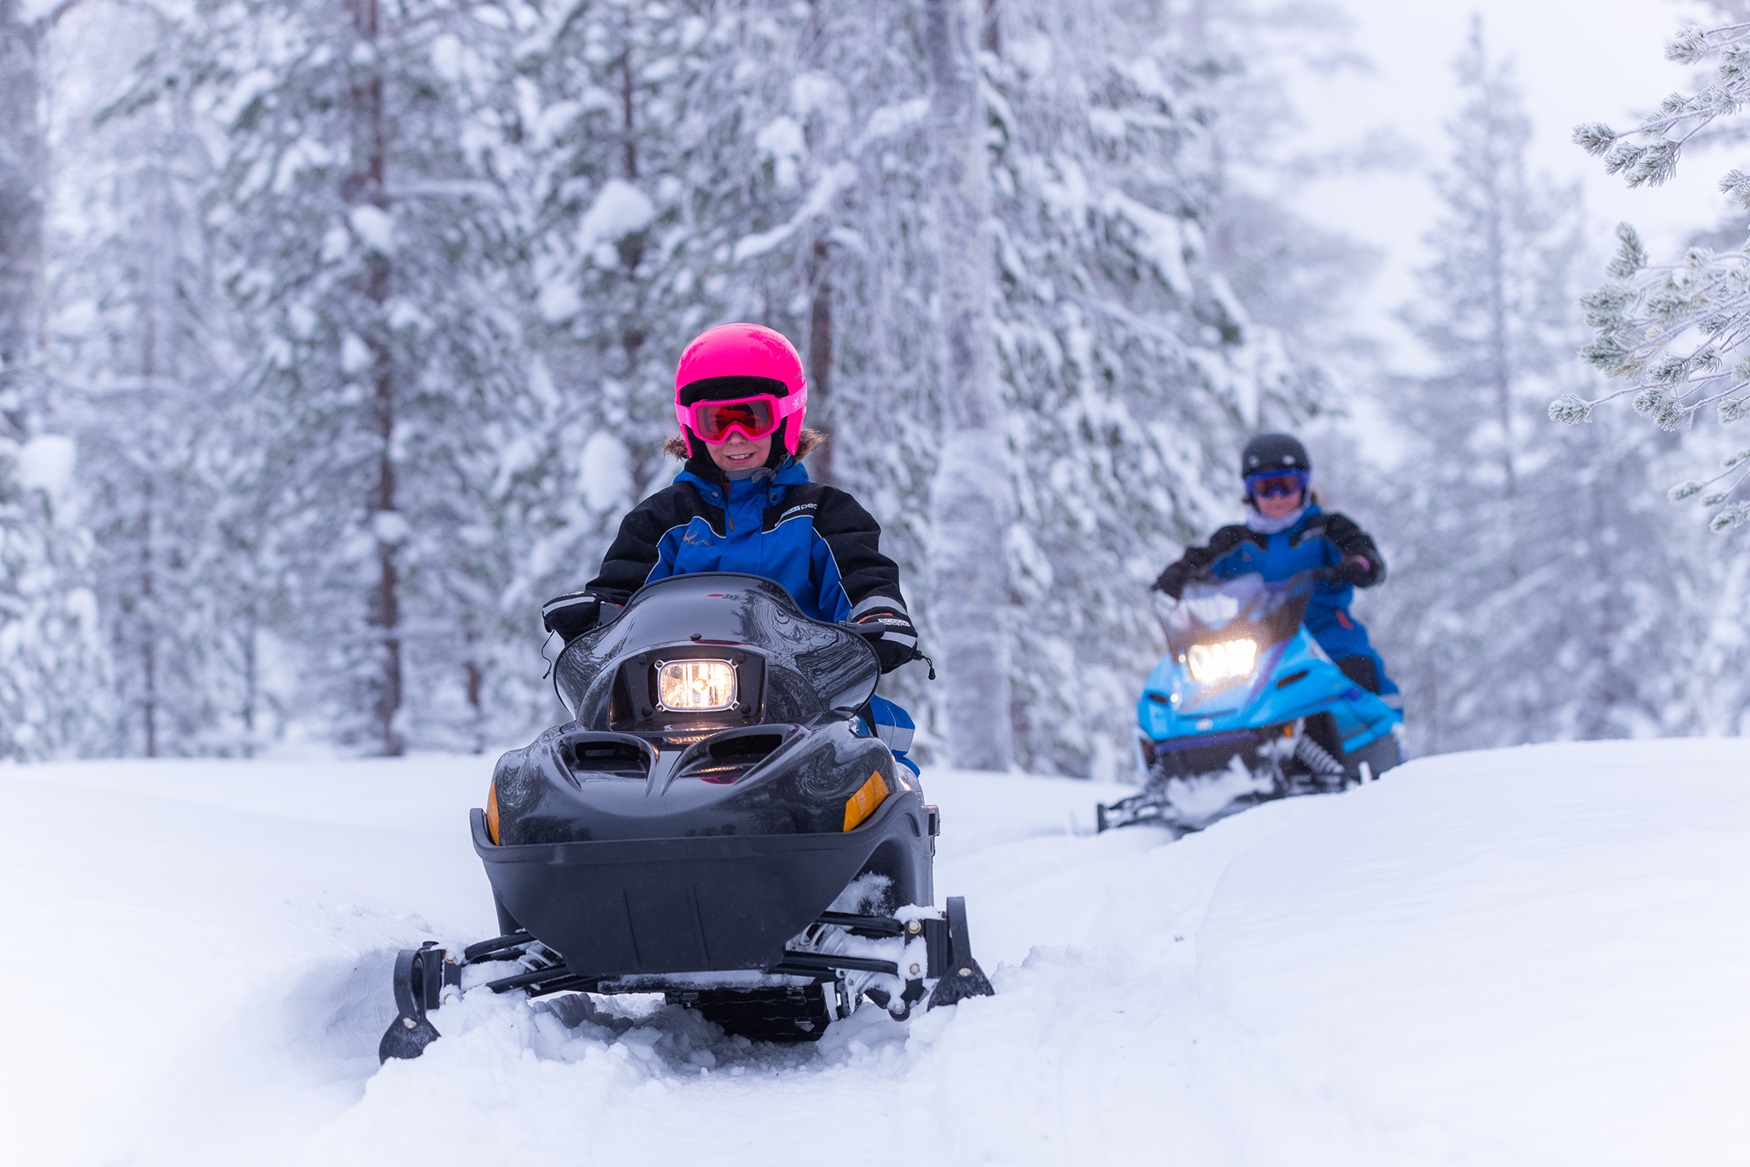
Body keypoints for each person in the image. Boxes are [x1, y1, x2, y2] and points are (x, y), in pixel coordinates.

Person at [541, 322, 926, 766]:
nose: (735, 437)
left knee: (872, 757)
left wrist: (879, 613)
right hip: (669, 706)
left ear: (784, 418)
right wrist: (594, 613)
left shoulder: (824, 515)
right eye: (717, 421)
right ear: (693, 427)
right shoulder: (662, 519)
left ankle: (882, 820)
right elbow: (624, 590)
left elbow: (861, 576)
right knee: (582, 750)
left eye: (752, 418)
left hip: (805, 700)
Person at [1153, 432, 1400, 706]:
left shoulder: (1327, 529)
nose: (1277, 496)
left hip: (1326, 636)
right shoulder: (1235, 541)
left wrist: (1355, 567)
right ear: (1249, 492)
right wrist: (1175, 577)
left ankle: (1377, 730)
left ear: (1304, 485)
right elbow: (1199, 559)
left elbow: (1366, 556)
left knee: (1357, 676)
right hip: (1256, 646)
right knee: (1207, 693)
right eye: (1265, 488)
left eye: (1287, 484)